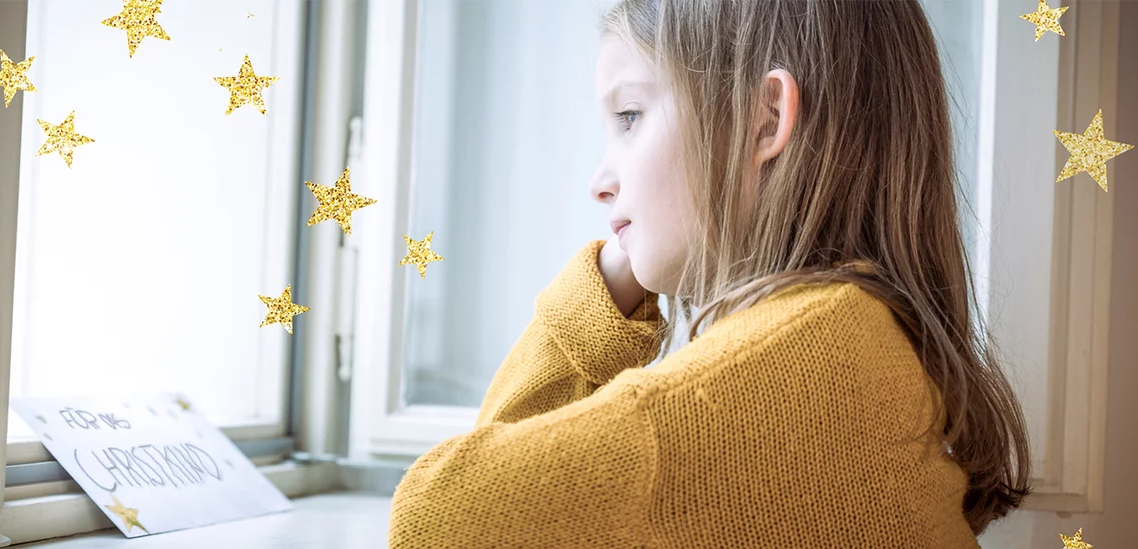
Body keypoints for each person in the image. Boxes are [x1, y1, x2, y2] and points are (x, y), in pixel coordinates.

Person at [388, 1, 1029, 546]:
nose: (599, 182)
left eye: (630, 117)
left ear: (765, 119)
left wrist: (597, 300)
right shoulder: (859, 335)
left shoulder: (783, 365)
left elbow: (435, 522)